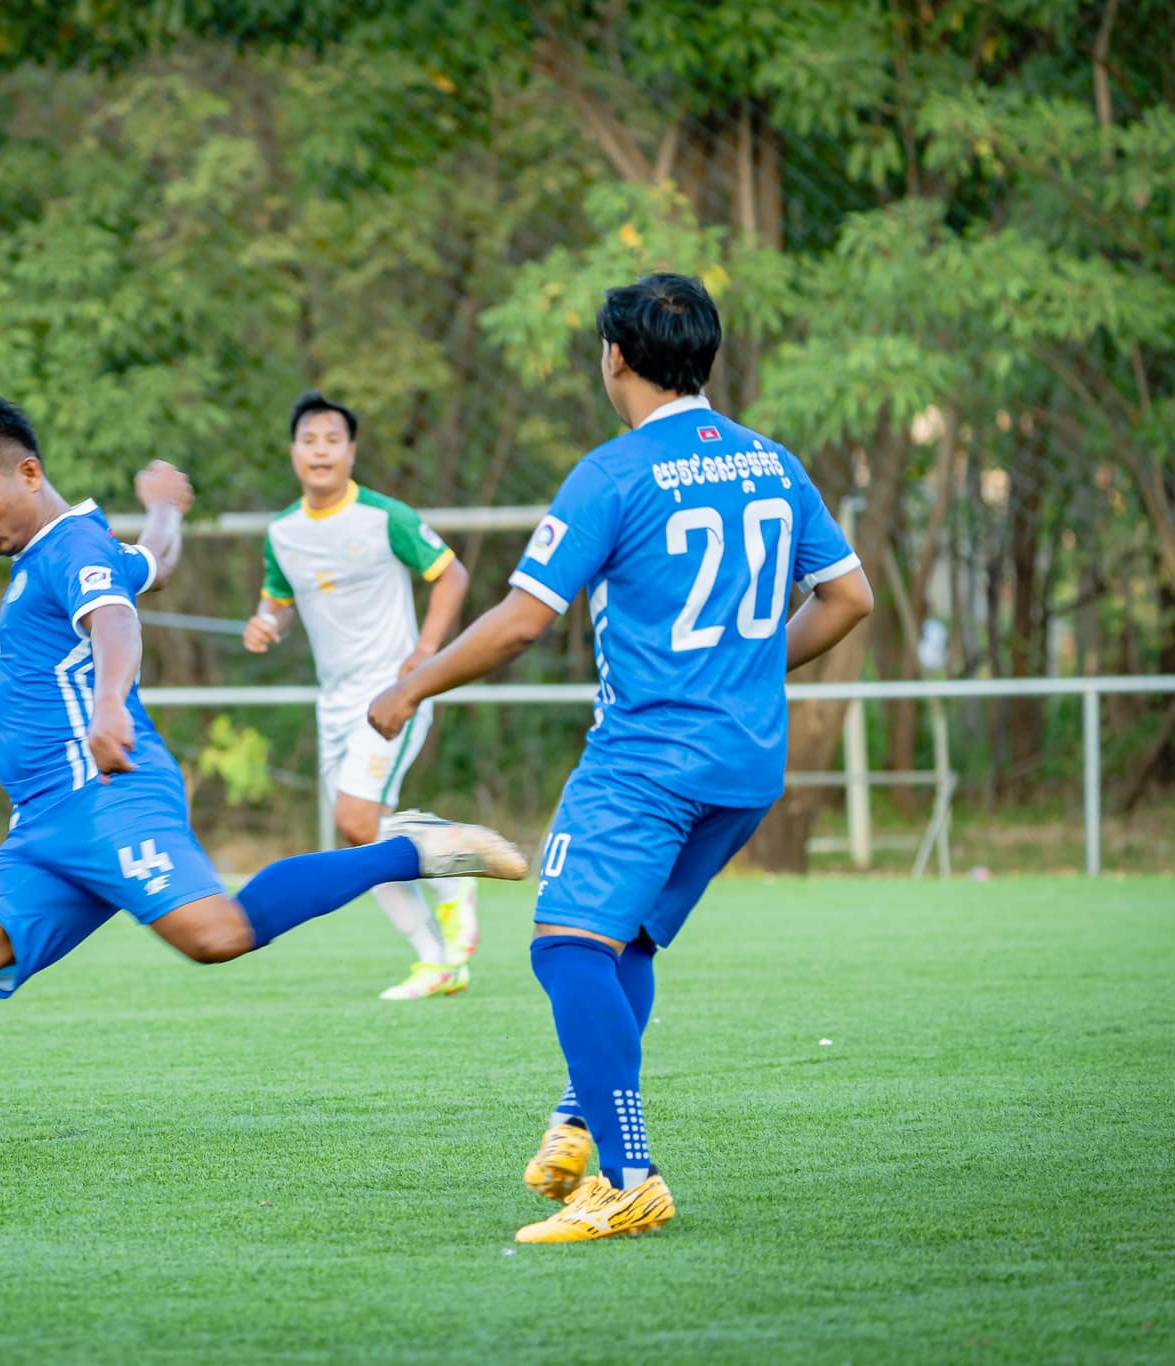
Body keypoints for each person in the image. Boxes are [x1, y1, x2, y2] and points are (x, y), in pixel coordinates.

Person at [0, 392, 528, 1168]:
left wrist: (110, 703)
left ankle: (410, 850)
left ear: (29, 472)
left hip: (107, 796)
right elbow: (155, 564)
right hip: (45, 822)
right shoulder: (76, 546)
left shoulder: (70, 550)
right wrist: (164, 511)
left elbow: (116, 620)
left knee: (217, 936)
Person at [368, 275, 874, 1243]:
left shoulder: (612, 473)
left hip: (647, 760)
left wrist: (412, 686)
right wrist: (744, 671)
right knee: (624, 940)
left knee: (564, 945)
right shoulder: (772, 462)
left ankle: (627, 1175)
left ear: (615, 357)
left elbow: (521, 621)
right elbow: (849, 598)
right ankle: (577, 1116)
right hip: (744, 764)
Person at [243, 392, 481, 1000]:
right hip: (335, 704)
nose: (320, 451)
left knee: (356, 819)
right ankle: (436, 957)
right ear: (293, 453)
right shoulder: (283, 533)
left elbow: (452, 574)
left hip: (393, 693)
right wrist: (267, 622)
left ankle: (449, 875)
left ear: (351, 452)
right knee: (361, 836)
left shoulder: (385, 516)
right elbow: (278, 600)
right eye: (309, 440)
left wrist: (425, 654)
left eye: (332, 440)